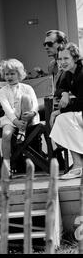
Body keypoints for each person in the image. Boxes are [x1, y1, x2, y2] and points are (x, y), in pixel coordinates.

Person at [0, 59, 40, 174]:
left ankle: (22, 129)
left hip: (27, 118)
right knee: (6, 134)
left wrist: (33, 113)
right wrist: (16, 122)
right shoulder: (2, 91)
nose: (9, 77)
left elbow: (35, 103)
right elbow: (7, 109)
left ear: (19, 74)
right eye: (6, 74)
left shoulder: (27, 88)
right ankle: (6, 164)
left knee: (26, 98)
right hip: (11, 119)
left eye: (12, 73)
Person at [50, 43, 83, 180]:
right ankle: (78, 164)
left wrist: (59, 111)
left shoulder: (82, 73)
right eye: (60, 59)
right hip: (80, 111)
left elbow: (82, 102)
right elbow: (58, 89)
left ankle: (78, 164)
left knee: (63, 119)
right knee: (64, 119)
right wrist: (64, 94)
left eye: (66, 59)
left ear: (75, 58)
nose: (62, 62)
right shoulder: (68, 73)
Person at [43, 30, 71, 98]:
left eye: (49, 44)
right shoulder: (51, 65)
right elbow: (52, 89)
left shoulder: (73, 63)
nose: (46, 47)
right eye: (45, 44)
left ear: (62, 43)